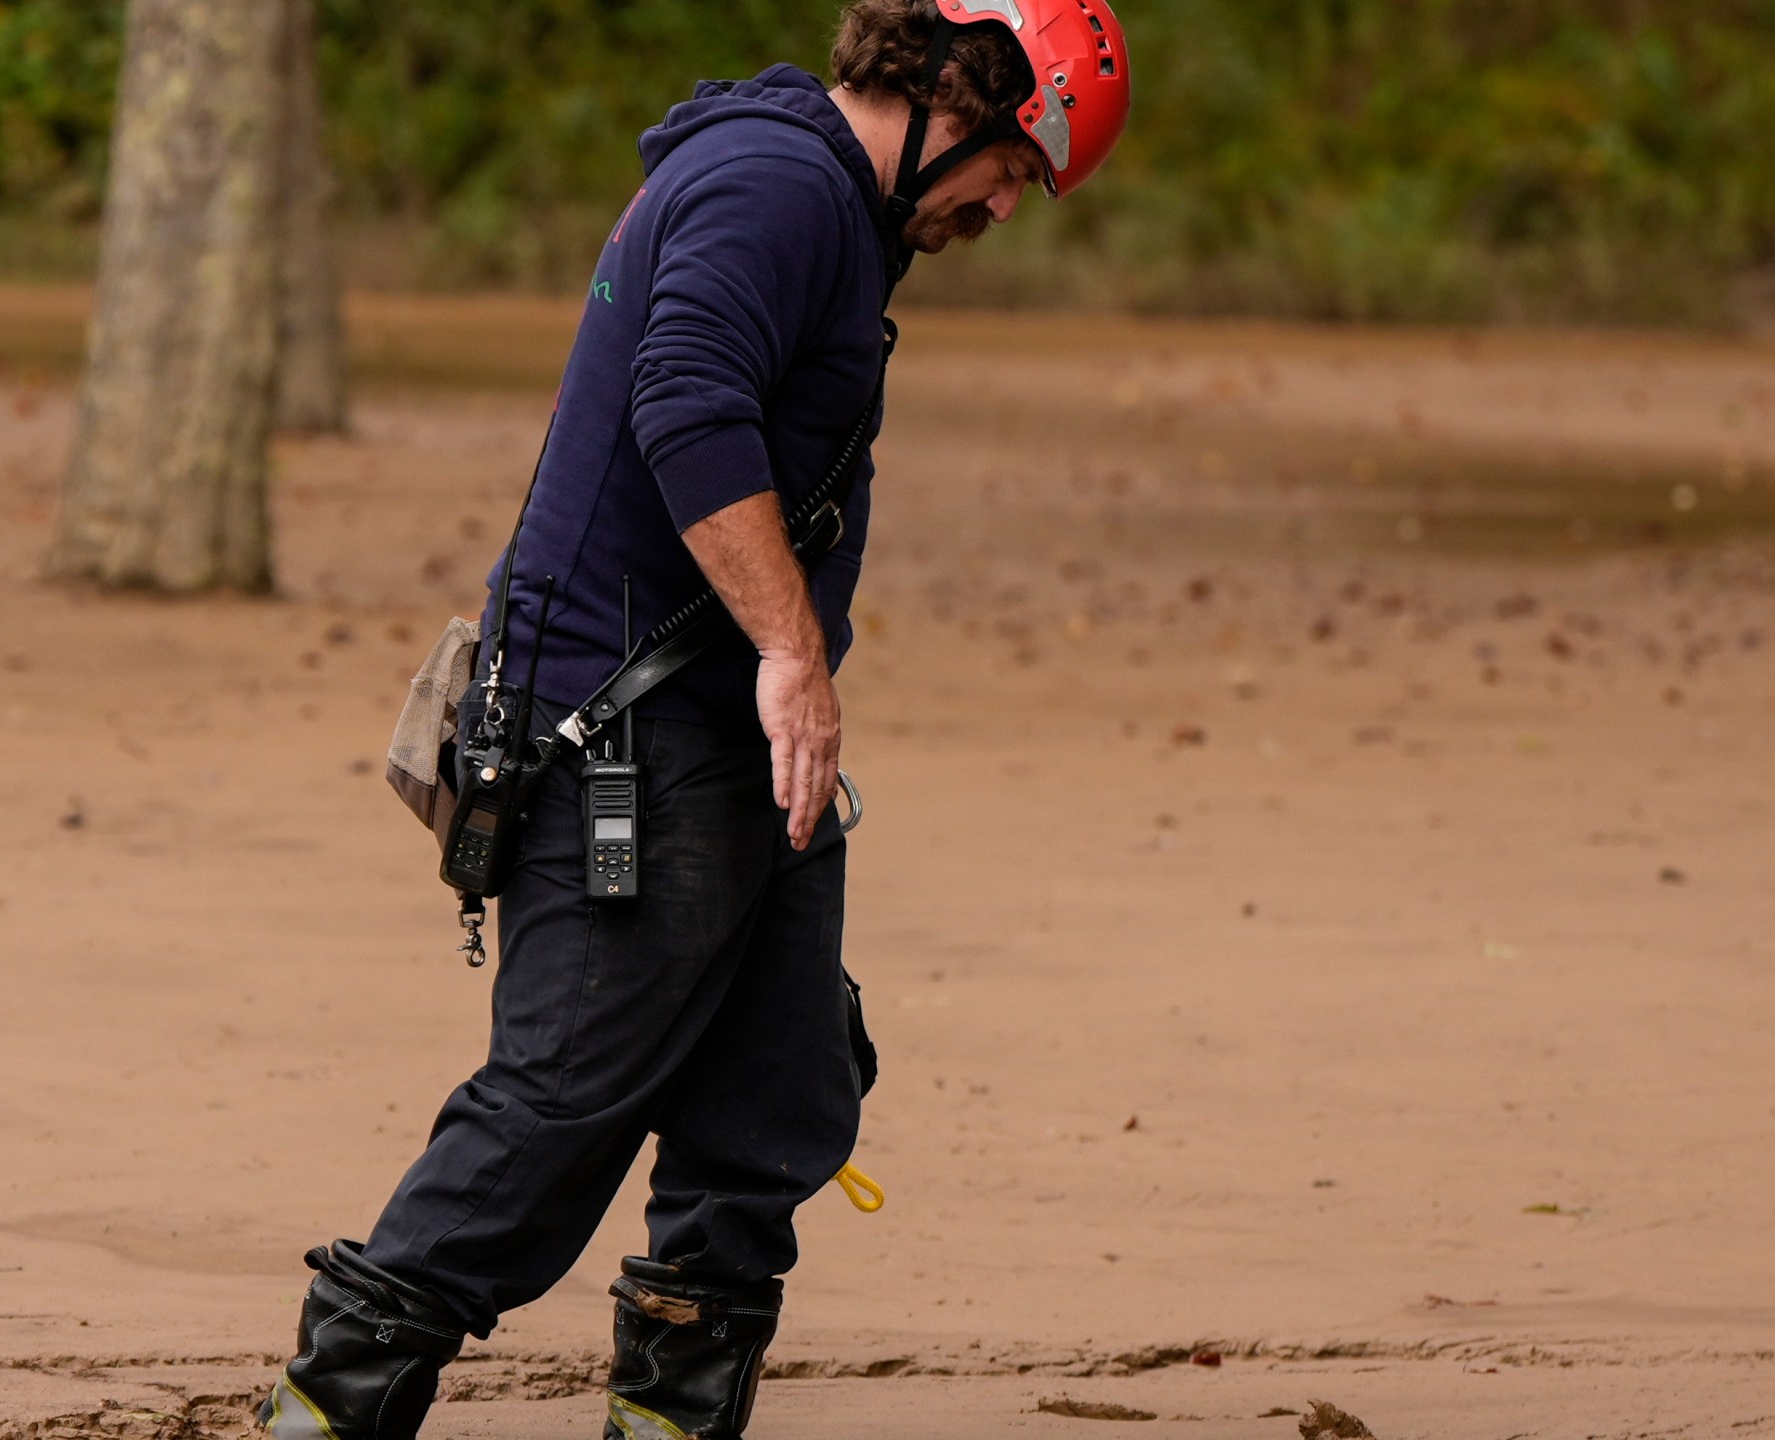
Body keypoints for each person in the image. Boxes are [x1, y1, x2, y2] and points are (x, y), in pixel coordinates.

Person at [260, 3, 1128, 1437]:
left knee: (776, 1091)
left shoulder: (826, 208)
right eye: (1017, 169)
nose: (1001, 206)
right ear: (965, 95)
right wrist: (793, 650)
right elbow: (687, 404)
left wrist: (786, 682)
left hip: (733, 743)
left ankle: (668, 1419)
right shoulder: (775, 186)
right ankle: (327, 1408)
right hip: (623, 735)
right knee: (562, 1099)